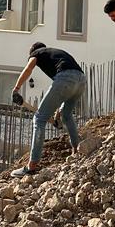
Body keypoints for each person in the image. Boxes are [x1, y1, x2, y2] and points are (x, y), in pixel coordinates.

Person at [10, 42, 86, 177]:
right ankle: (76, 150)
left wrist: (16, 89)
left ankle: (31, 166)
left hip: (65, 78)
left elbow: (28, 69)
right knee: (67, 115)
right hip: (81, 80)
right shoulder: (56, 53)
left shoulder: (37, 53)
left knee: (39, 119)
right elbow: (67, 86)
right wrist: (58, 113)